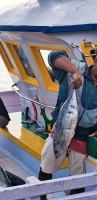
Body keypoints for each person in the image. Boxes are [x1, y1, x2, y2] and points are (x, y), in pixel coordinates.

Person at [38, 50, 97, 200]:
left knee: (78, 180)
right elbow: (53, 56)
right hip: (61, 129)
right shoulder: (77, 67)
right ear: (95, 59)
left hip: (84, 136)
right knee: (46, 167)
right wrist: (75, 72)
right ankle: (42, 197)